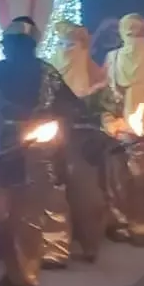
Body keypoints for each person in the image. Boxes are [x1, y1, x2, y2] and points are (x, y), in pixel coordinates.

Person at [0, 17, 81, 286]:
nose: (17, 49)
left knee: (28, 220)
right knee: (1, 218)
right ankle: (14, 271)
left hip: (36, 160)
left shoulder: (48, 75)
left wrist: (57, 135)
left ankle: (24, 279)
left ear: (32, 46)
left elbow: (70, 108)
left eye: (23, 45)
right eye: (12, 44)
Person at [44, 21, 110, 263]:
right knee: (53, 192)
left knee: (86, 195)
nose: (65, 49)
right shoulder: (48, 72)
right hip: (52, 138)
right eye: (61, 43)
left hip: (82, 140)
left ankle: (90, 243)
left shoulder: (95, 76)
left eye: (71, 45)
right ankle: (55, 248)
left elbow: (105, 107)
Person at [103, 14, 144, 244]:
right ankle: (140, 226)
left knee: (117, 177)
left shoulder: (113, 58)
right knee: (142, 178)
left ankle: (120, 222)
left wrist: (108, 118)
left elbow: (105, 92)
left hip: (118, 125)